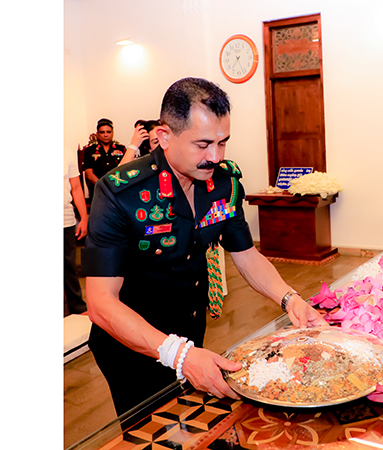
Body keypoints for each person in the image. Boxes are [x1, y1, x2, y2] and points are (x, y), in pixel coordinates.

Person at [82, 77, 326, 417]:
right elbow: (100, 303)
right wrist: (178, 355)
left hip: (191, 333)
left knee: (191, 424)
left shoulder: (223, 183)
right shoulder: (119, 193)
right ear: (165, 136)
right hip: (131, 346)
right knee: (152, 434)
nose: (215, 156)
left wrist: (290, 299)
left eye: (223, 142)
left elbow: (246, 255)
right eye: (203, 144)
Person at [64, 147, 89, 314]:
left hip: (64, 218)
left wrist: (84, 217)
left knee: (68, 266)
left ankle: (77, 307)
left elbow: (76, 187)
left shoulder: (67, 152)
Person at [82, 118, 127, 199]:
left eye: (108, 132)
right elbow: (89, 174)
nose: (106, 135)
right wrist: (102, 186)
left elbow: (126, 170)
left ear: (112, 133)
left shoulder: (121, 149)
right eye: (102, 132)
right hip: (98, 191)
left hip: (118, 189)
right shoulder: (90, 150)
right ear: (97, 134)